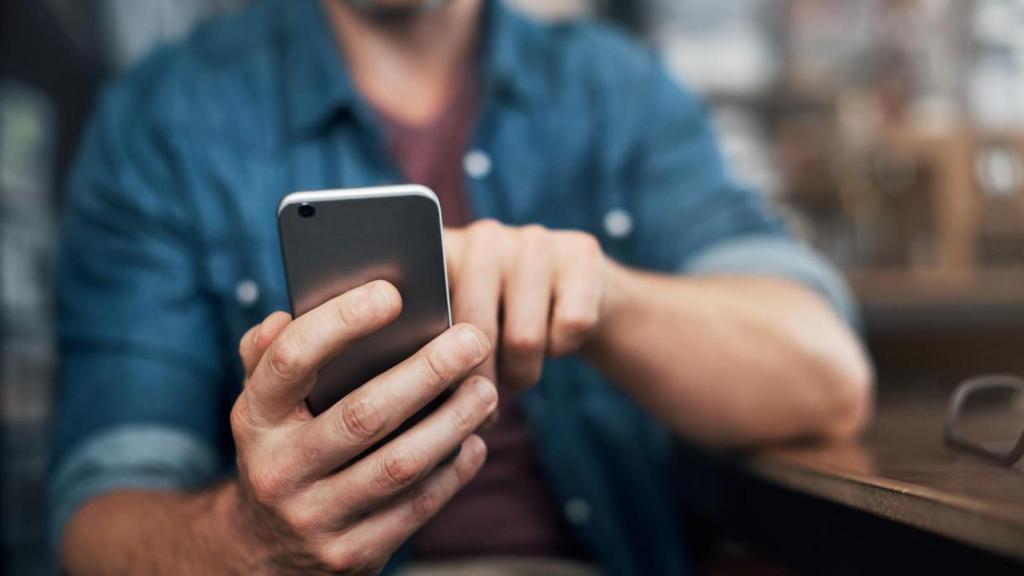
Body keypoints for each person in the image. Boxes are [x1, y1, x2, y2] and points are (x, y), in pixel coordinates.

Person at [50, 0, 873, 574]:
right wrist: (253, 543)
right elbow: (98, 519)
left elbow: (826, 379)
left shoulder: (617, 92)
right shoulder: (164, 118)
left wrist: (607, 298)